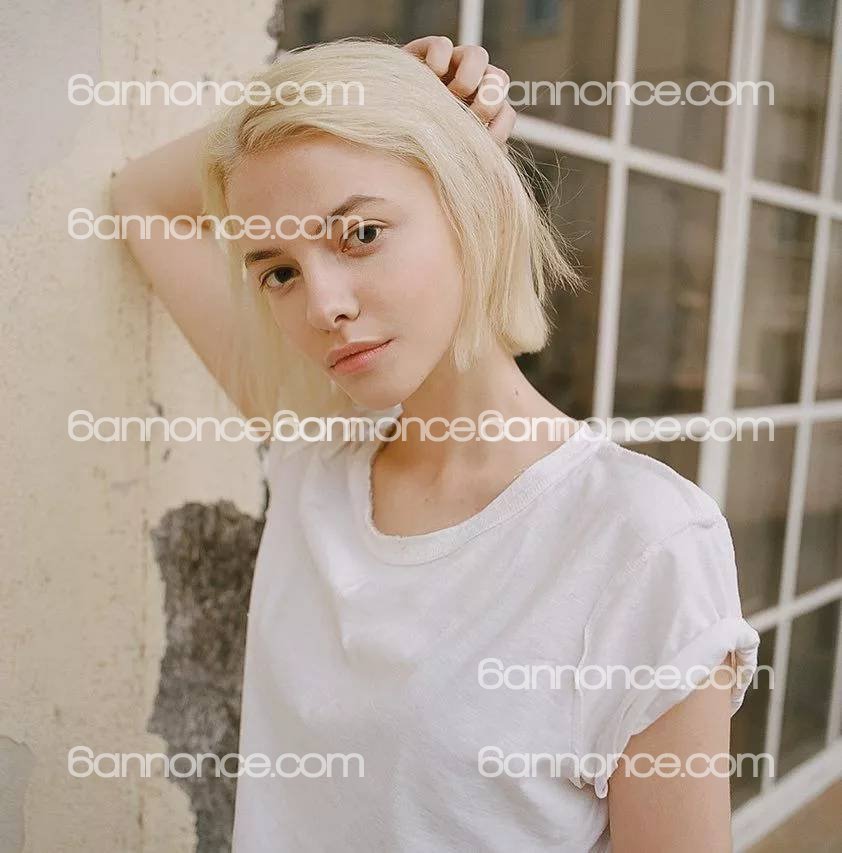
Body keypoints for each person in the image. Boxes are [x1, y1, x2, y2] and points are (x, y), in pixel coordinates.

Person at [111, 35, 760, 853]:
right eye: (279, 271)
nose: (322, 305)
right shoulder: (315, 448)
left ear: (471, 209)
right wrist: (377, 84)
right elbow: (140, 198)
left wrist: (403, 102)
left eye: (360, 233)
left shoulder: (643, 539)